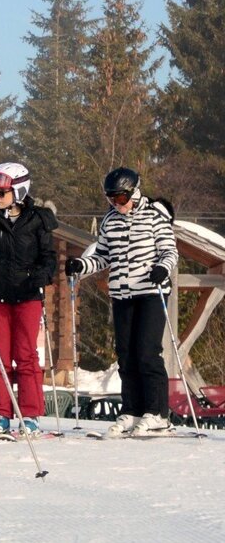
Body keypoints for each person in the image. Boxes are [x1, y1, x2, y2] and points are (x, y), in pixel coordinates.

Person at [65, 167, 178, 437]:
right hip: (122, 293)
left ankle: (158, 413)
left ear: (135, 193)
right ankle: (133, 410)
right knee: (125, 354)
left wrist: (162, 268)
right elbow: (104, 255)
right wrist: (82, 265)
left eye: (121, 199)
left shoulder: (154, 216)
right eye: (111, 200)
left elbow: (169, 250)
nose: (117, 205)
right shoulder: (110, 220)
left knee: (147, 352)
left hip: (151, 292)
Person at [0, 163, 57, 437]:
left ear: (19, 190)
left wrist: (41, 276)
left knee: (26, 355)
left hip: (27, 295)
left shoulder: (37, 219)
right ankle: (1, 414)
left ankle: (30, 413)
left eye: (1, 192)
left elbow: (49, 257)